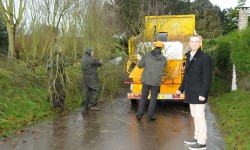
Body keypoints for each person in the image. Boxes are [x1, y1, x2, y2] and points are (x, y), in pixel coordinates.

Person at [176, 35, 212, 150]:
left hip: (199, 92)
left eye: (197, 42)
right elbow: (186, 76)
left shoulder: (204, 57)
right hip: (191, 91)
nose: (194, 44)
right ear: (189, 43)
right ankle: (197, 137)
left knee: (200, 116)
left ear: (200, 43)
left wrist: (203, 93)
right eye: (192, 41)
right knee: (195, 116)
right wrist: (181, 89)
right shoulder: (189, 56)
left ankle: (202, 142)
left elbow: (207, 77)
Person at [136, 41, 167, 121]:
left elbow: (139, 66)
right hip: (156, 82)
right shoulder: (163, 59)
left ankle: (139, 115)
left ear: (154, 47)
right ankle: (150, 117)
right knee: (153, 99)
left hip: (146, 80)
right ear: (162, 48)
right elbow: (163, 67)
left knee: (143, 97)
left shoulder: (146, 56)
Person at [47, 45, 69, 110]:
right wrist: (54, 64)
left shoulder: (62, 56)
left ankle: (61, 104)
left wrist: (63, 63)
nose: (61, 50)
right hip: (54, 77)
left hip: (62, 76)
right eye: (60, 49)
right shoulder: (50, 57)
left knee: (62, 90)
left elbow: (67, 64)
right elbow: (48, 66)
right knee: (55, 90)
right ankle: (55, 105)